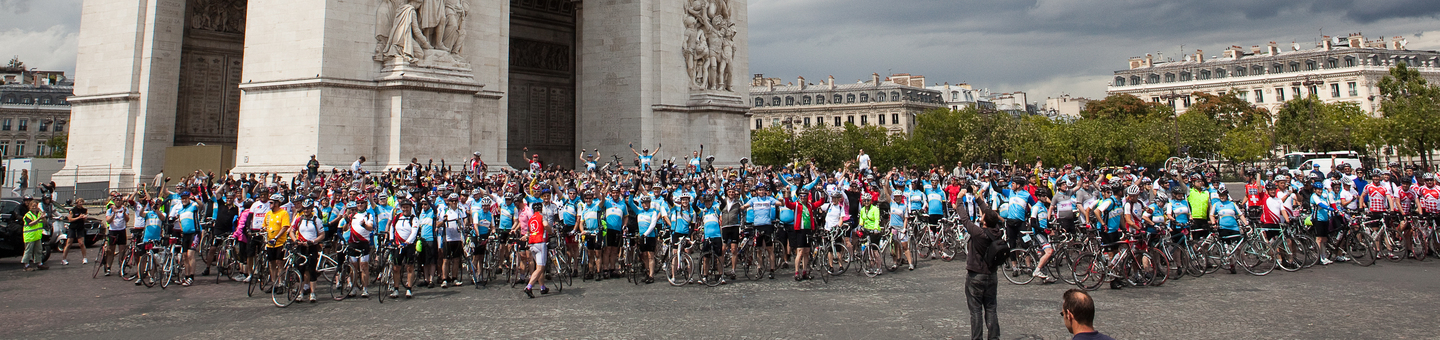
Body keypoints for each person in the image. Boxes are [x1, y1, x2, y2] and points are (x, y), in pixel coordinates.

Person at [964, 197, 1003, 340]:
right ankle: (994, 338)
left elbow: (964, 219)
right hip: (992, 275)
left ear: (984, 221)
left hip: (976, 275)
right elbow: (989, 213)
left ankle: (977, 338)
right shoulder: (998, 231)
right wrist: (978, 198)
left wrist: (959, 199)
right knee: (991, 309)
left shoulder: (978, 233)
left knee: (975, 311)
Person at [521, 201, 549, 297]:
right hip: (540, 242)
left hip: (532, 243)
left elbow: (528, 232)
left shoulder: (531, 219)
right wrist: (551, 230)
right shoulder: (542, 216)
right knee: (540, 267)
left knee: (539, 267)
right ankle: (529, 287)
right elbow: (545, 225)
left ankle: (542, 287)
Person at [60, 198, 89, 265]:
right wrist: (79, 217)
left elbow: (85, 219)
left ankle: (84, 258)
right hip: (73, 227)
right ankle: (64, 258)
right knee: (69, 243)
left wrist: (85, 218)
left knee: (81, 243)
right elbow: (70, 219)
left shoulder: (84, 210)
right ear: (77, 203)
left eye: (82, 202)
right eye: (79, 202)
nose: (81, 203)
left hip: (80, 227)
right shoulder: (73, 210)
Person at [19, 198, 46, 271]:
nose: (34, 207)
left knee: (39, 250)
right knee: (28, 251)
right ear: (29, 207)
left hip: (37, 236)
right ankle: (26, 265)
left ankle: (39, 263)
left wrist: (43, 217)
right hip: (30, 236)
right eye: (33, 206)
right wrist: (39, 218)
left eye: (35, 206)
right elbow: (30, 224)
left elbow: (44, 222)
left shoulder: (39, 214)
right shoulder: (28, 215)